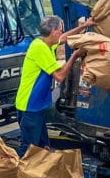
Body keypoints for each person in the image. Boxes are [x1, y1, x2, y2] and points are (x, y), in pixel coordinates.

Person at [14, 15, 94, 156]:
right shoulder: (40, 48)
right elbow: (60, 76)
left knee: (43, 146)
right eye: (60, 30)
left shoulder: (46, 44)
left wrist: (84, 26)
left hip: (36, 107)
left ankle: (36, 175)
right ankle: (17, 176)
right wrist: (74, 56)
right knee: (28, 150)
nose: (61, 33)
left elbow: (64, 38)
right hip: (29, 107)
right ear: (52, 31)